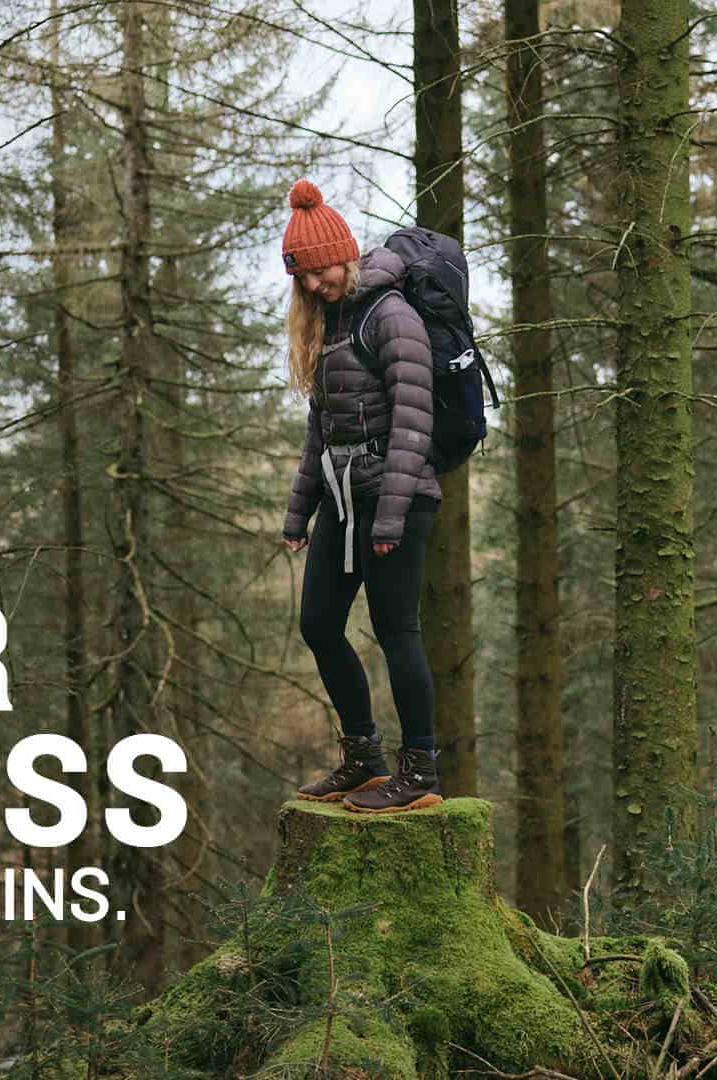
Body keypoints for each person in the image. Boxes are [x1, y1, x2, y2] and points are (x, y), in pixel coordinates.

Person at [278, 178, 443, 814]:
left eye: (321, 272)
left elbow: (414, 420)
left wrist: (393, 515)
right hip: (344, 502)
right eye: (305, 279)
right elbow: (321, 429)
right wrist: (300, 512)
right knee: (318, 622)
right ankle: (363, 758)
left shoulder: (391, 315)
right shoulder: (333, 322)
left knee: (396, 628)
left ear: (344, 255)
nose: (315, 286)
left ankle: (421, 770)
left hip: (396, 498)